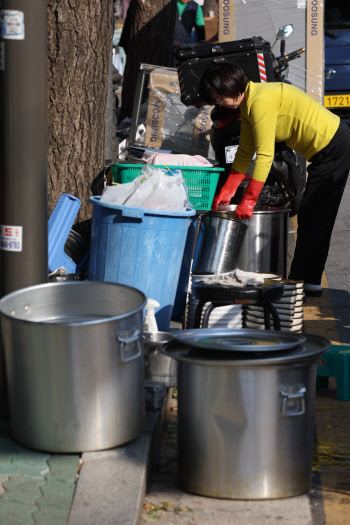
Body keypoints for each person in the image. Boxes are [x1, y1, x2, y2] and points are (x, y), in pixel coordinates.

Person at [198, 62, 350, 297]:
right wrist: (228, 189)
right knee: (316, 215)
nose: (219, 104)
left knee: (313, 215)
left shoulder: (259, 103)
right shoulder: (249, 105)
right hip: (326, 150)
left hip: (334, 146)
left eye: (220, 99)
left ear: (233, 89)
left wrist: (249, 199)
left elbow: (265, 155)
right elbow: (246, 152)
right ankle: (309, 282)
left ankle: (298, 283)